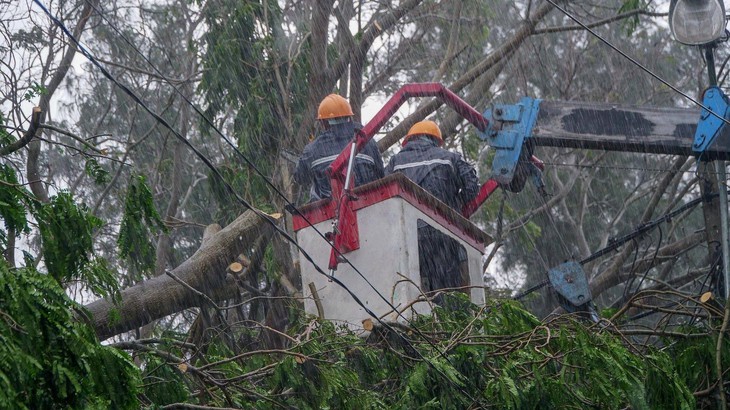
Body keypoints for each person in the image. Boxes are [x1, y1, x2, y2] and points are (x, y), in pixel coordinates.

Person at [385, 120, 479, 299]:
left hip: (410, 237)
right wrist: (454, 204)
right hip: (443, 234)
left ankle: (421, 319)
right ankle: (448, 320)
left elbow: (384, 195)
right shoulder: (450, 158)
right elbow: (472, 185)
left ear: (409, 141)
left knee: (414, 286)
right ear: (436, 140)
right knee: (447, 289)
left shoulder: (395, 163)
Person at [294, 94, 384, 202]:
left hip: (327, 213)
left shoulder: (313, 149)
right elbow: (381, 175)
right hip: (369, 204)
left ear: (323, 122)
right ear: (349, 117)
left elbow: (299, 178)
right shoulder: (368, 142)